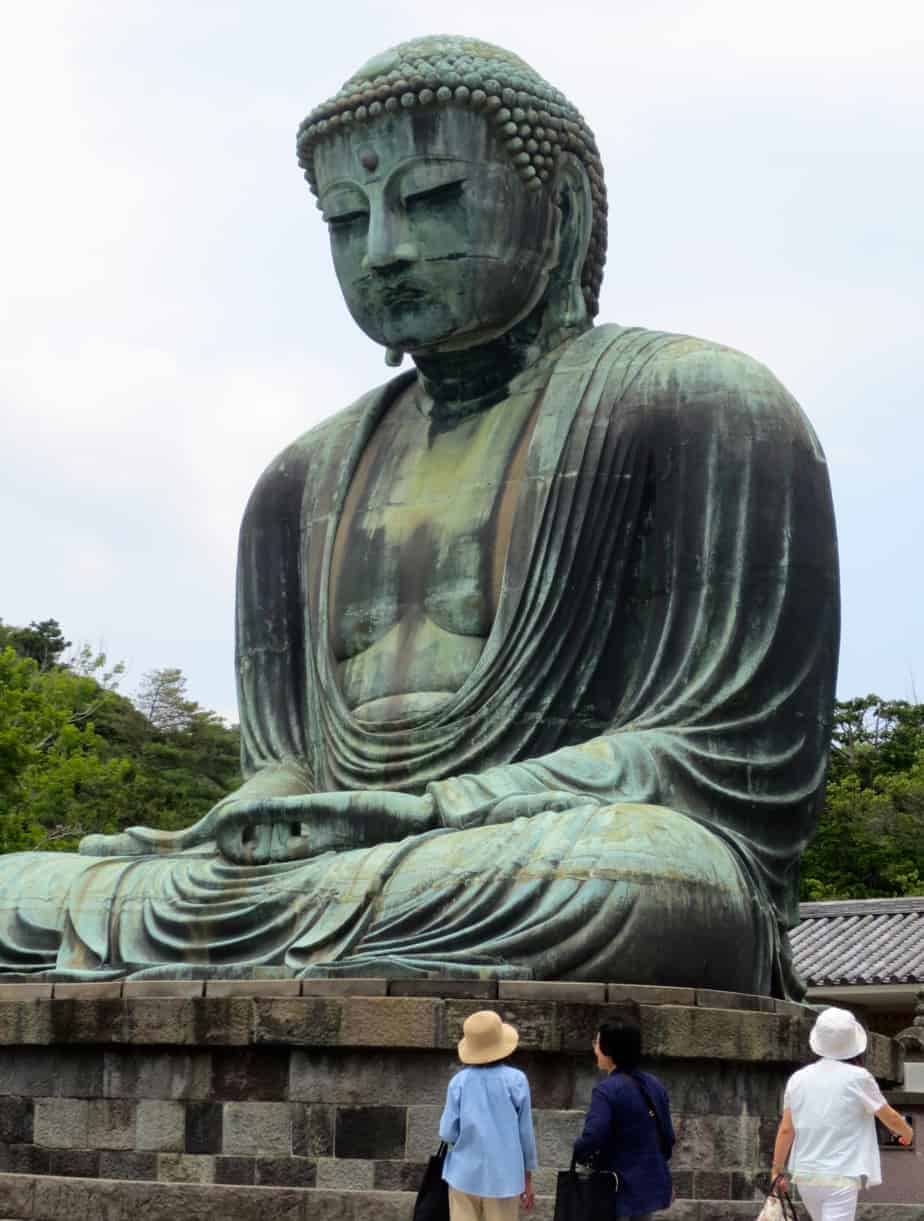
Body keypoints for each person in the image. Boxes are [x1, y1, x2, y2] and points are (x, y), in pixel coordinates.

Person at [0, 35, 838, 991]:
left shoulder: (703, 404)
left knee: (650, 882)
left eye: (431, 200)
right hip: (347, 868)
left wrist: (435, 810)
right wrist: (250, 817)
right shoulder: (298, 481)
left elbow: (729, 760)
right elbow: (291, 760)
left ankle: (278, 949)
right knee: (17, 890)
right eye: (346, 220)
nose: (384, 252)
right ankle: (277, 949)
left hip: (543, 853)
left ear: (557, 211)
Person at [770, 1006, 913, 1221]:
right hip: (841, 1174)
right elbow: (888, 1116)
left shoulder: (798, 1079)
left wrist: (777, 1169)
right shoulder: (858, 1078)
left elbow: (786, 1130)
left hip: (806, 1176)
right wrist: (907, 1133)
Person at [438, 1010, 537, 1220]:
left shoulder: (459, 1082)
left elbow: (447, 1132)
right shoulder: (517, 1081)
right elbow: (525, 1135)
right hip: (505, 1178)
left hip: (463, 1175)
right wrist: (527, 1178)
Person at [573, 1016, 674, 1219]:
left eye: (597, 1042)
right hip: (648, 1188)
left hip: (616, 1188)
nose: (595, 1048)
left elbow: (594, 1136)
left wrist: (578, 1150)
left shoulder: (607, 1090)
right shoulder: (655, 1085)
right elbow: (668, 1137)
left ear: (609, 1050)